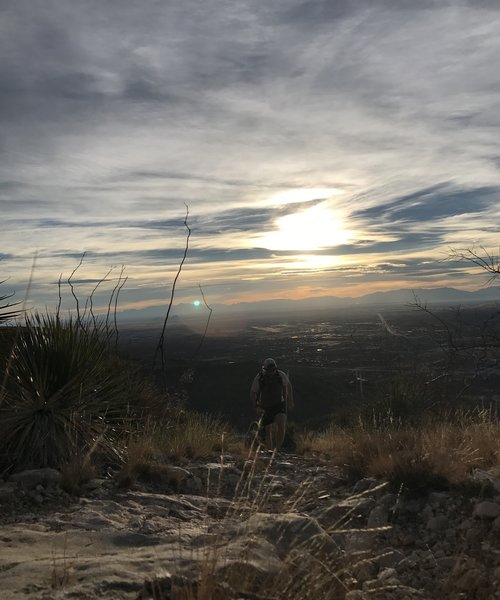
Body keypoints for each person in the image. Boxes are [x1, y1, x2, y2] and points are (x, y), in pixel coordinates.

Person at [250, 358, 294, 451]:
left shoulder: (281, 375)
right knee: (267, 430)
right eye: (268, 371)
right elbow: (253, 392)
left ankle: (277, 449)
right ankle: (269, 450)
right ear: (264, 369)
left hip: (279, 404)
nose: (271, 373)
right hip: (265, 406)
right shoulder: (259, 377)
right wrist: (256, 406)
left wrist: (290, 400)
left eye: (272, 370)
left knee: (281, 424)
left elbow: (288, 385)